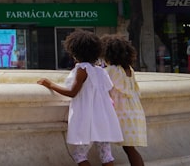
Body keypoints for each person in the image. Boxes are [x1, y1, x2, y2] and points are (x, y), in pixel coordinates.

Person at [37, 30, 123, 166]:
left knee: (79, 154)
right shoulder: (101, 71)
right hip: (103, 117)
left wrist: (50, 84)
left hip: (88, 119)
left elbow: (72, 92)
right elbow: (107, 91)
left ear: (75, 53)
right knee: (106, 155)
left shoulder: (82, 69)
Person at [101, 34, 147, 166]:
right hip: (134, 111)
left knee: (129, 148)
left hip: (121, 113)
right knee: (129, 148)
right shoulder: (129, 70)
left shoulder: (111, 70)